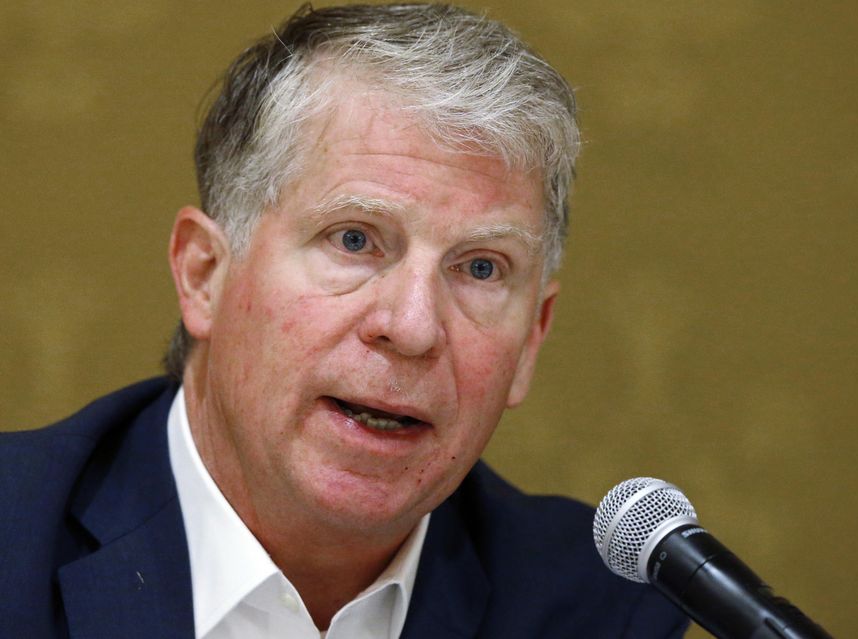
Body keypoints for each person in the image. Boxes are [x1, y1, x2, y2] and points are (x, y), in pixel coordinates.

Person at [0, 4, 688, 638]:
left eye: (480, 267)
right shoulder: (13, 546)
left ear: (532, 338)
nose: (413, 326)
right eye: (354, 239)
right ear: (205, 273)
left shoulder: (600, 610)